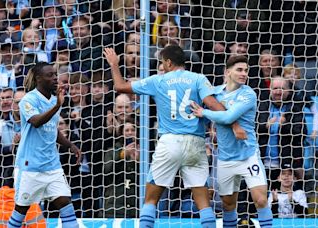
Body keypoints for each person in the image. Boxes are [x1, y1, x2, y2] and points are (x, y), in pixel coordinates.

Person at [104, 45, 247, 228]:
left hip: (169, 141)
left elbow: (120, 86)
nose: (162, 66)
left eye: (163, 62)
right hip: (196, 142)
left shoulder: (158, 80)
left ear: (169, 62)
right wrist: (234, 124)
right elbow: (213, 104)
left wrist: (114, 64)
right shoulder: (198, 79)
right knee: (203, 201)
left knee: (151, 199)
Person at [191, 55, 273, 228]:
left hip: (248, 155)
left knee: (260, 199)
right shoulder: (215, 93)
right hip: (225, 158)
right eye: (239, 70)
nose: (244, 74)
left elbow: (228, 117)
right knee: (228, 204)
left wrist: (204, 113)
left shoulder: (248, 94)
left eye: (246, 70)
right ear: (228, 72)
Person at [7, 62, 81, 228]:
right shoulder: (28, 100)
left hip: (52, 166)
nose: (55, 78)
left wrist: (70, 145)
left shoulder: (54, 99)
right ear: (39, 78)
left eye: (55, 74)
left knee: (66, 205)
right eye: (50, 75)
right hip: (30, 167)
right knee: (20, 211)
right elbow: (37, 122)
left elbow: (52, 129)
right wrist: (57, 106)